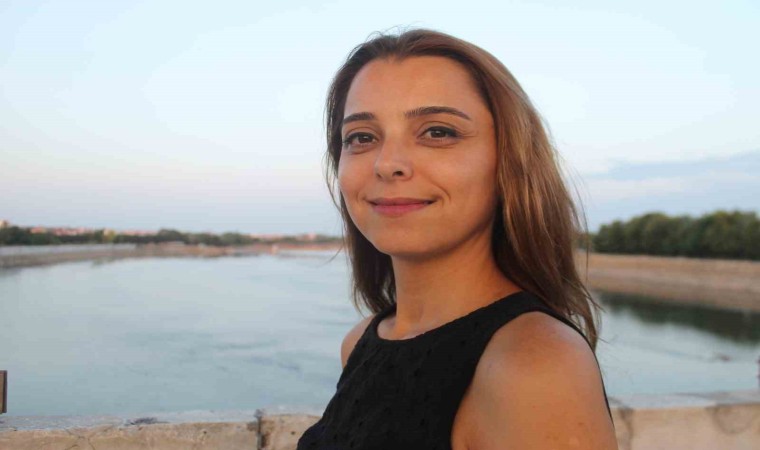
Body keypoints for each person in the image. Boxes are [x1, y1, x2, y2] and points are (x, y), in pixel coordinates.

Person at [297, 28, 618, 450]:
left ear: (509, 161)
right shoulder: (361, 343)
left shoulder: (534, 365)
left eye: (437, 132)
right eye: (362, 137)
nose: (387, 163)